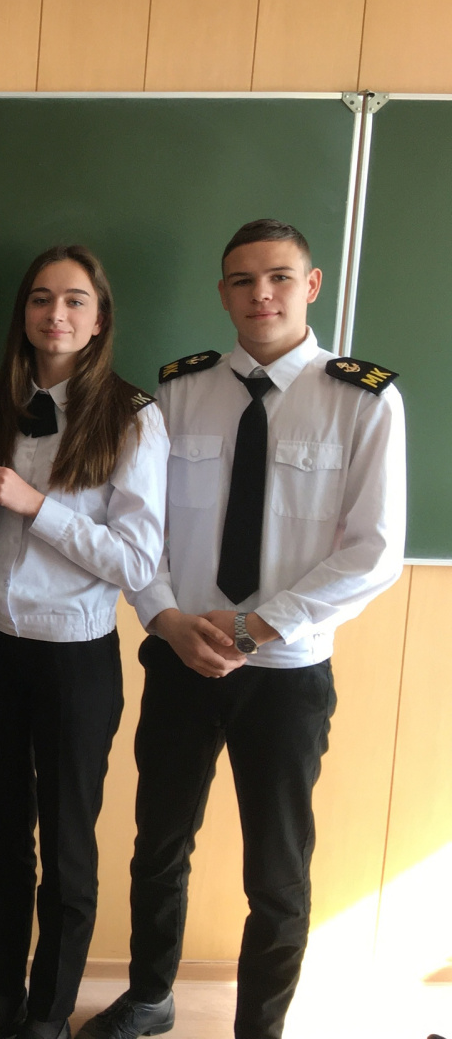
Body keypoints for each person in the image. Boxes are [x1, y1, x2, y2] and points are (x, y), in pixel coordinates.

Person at [79, 219, 406, 1039]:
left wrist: (259, 628)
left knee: (277, 870)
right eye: (242, 280)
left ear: (312, 285)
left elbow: (374, 551)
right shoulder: (179, 392)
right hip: (181, 657)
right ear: (223, 292)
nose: (261, 294)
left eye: (279, 277)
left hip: (287, 673)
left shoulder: (364, 399)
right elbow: (141, 532)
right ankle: (150, 997)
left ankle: (260, 1028)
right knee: (159, 845)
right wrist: (165, 618)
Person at [0, 246, 169, 1039]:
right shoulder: (2, 405)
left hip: (74, 656)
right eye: (41, 299)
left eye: (74, 300)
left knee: (69, 844)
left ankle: (49, 1011)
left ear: (99, 319)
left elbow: (137, 562)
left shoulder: (134, 417)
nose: (56, 314)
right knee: (2, 837)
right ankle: (4, 993)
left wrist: (37, 505)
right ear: (24, 315)